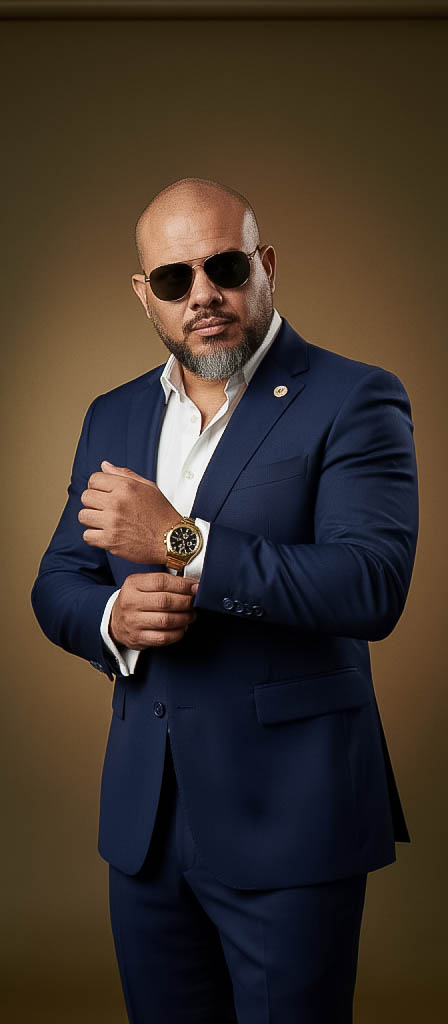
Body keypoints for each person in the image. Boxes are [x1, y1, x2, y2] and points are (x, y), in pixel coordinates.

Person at [31, 176, 419, 1023]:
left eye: (226, 267)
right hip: (146, 827)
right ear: (146, 295)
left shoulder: (354, 397)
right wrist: (111, 621)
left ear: (266, 265)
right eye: (174, 280)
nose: (202, 295)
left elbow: (372, 585)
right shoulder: (113, 414)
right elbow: (58, 579)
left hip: (293, 821)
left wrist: (182, 542)